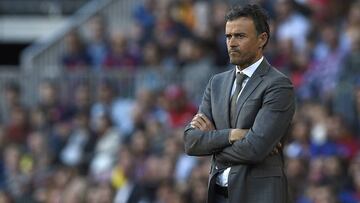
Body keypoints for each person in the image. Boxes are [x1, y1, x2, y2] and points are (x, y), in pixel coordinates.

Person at [183, 4, 296, 203]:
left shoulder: (278, 85)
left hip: (258, 195)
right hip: (218, 195)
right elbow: (191, 141)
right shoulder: (216, 82)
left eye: (240, 36)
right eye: (228, 36)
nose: (231, 43)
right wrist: (233, 135)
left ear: (262, 39)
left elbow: (255, 149)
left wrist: (212, 141)